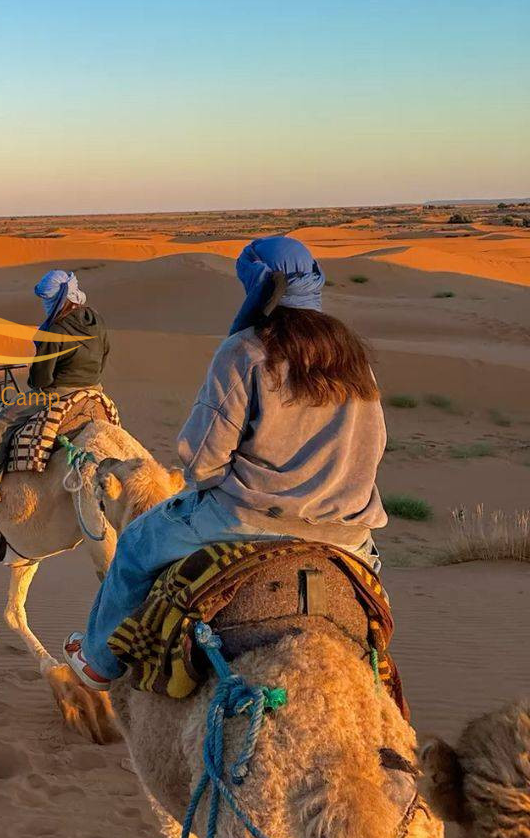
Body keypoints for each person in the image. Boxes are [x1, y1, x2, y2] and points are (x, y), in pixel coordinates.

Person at [64, 235, 387, 689]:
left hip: (244, 517)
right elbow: (373, 444)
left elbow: (201, 459)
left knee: (136, 543)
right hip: (347, 529)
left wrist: (210, 481)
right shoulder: (353, 357)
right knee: (371, 606)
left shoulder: (246, 351)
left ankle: (98, 661)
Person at [0, 268, 110, 508]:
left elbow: (41, 379)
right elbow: (104, 354)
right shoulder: (95, 319)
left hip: (60, 391)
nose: (45, 305)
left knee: (4, 420)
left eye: (47, 300)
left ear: (57, 298)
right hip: (94, 388)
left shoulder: (54, 331)